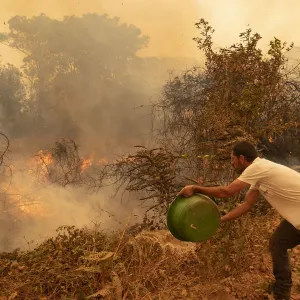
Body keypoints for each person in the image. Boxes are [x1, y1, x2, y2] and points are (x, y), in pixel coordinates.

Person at [178, 141, 300, 300]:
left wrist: (196, 189)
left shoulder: (257, 168)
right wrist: (219, 220)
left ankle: (282, 291)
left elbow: (227, 191)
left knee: (278, 243)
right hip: (296, 218)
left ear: (242, 158)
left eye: (233, 159)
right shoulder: (259, 171)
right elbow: (246, 205)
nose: (232, 163)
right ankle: (282, 291)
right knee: (278, 243)